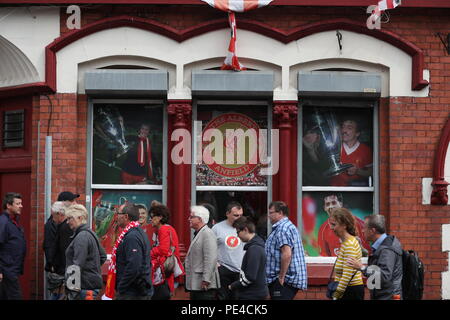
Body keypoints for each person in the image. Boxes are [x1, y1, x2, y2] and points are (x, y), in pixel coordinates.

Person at [347, 214, 403, 300]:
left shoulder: (387, 250)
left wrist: (361, 268)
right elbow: (377, 266)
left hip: (387, 297)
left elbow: (384, 276)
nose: (362, 230)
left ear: (372, 231)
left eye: (364, 228)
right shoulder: (380, 245)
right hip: (382, 295)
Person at [105, 204, 153, 300]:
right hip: (134, 291)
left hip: (133, 293)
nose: (116, 216)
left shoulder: (132, 237)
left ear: (126, 216)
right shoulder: (135, 232)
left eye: (118, 213)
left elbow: (134, 266)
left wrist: (121, 287)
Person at [265, 201, 307, 300]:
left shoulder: (282, 229)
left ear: (280, 213)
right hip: (284, 279)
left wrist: (281, 278)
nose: (268, 216)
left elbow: (287, 254)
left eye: (271, 213)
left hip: (285, 280)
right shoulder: (287, 226)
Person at [65, 204, 107, 300]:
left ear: (79, 218)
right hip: (89, 288)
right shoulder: (90, 233)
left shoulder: (82, 236)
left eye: (69, 218)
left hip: (83, 289)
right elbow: (103, 256)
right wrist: (91, 269)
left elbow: (76, 266)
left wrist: (71, 292)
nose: (67, 222)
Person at [184, 206, 220, 300]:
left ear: (199, 219)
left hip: (204, 285)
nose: (189, 219)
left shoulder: (207, 233)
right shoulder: (200, 233)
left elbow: (210, 258)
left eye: (191, 217)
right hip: (197, 284)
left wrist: (206, 279)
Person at [149, 204, 184, 300]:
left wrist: (149, 253)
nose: (150, 219)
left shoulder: (163, 229)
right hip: (167, 271)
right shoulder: (168, 228)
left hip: (164, 273)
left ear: (160, 217)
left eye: (152, 217)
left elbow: (163, 249)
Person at [328, 207, 364, 300]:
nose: (331, 228)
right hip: (348, 290)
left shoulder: (349, 244)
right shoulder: (346, 242)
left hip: (350, 292)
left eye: (334, 224)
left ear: (344, 225)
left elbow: (346, 276)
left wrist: (336, 296)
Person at [229, 216, 268, 300]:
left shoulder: (254, 249)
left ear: (245, 230)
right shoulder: (256, 246)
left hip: (251, 295)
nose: (237, 236)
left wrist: (233, 285)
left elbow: (250, 277)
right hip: (254, 293)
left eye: (238, 232)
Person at [212, 201, 245, 300]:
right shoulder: (217, 228)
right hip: (223, 269)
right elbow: (211, 248)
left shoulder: (245, 227)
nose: (239, 218)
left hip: (241, 270)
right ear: (227, 214)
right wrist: (216, 264)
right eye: (235, 215)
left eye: (241, 215)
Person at [330, 119, 373, 186]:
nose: (344, 131)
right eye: (343, 127)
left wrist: (357, 171)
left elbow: (372, 172)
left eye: (349, 128)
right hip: (334, 189)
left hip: (355, 191)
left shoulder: (366, 150)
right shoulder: (334, 147)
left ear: (357, 133)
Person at [0, 193, 26, 300]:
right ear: (8, 205)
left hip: (11, 270)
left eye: (21, 203)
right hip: (6, 270)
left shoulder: (13, 221)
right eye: (18, 203)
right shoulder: (3, 222)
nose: (21, 206)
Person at [43, 201, 66, 300]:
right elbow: (49, 246)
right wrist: (51, 263)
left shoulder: (64, 227)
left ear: (59, 214)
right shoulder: (54, 225)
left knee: (58, 294)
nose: (52, 218)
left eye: (53, 216)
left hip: (61, 269)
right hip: (58, 268)